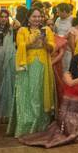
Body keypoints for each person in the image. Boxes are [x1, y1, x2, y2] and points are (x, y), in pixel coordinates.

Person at [22, 52, 78, 148]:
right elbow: (71, 83)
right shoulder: (67, 74)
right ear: (75, 63)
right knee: (77, 132)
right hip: (66, 113)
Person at [14, 8, 53, 136]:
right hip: (26, 65)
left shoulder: (47, 30)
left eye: (39, 17)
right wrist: (33, 37)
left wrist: (45, 42)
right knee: (26, 93)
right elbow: (20, 45)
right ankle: (27, 124)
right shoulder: (22, 30)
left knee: (39, 93)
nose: (37, 19)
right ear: (28, 18)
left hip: (41, 64)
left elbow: (52, 47)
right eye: (34, 17)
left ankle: (40, 124)